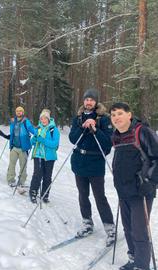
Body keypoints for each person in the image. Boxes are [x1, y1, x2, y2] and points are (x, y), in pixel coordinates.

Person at [110, 102, 158, 270]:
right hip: (124, 191)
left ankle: (142, 265)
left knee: (139, 230)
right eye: (113, 115)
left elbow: (156, 157)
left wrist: (150, 182)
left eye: (120, 113)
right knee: (128, 227)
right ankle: (133, 258)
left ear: (129, 115)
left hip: (141, 191)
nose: (116, 117)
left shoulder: (142, 132)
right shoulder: (116, 136)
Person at [69, 88, 115, 246]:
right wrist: (83, 127)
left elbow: (108, 143)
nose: (88, 102)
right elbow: (72, 138)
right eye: (86, 99)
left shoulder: (104, 118)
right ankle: (87, 222)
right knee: (83, 194)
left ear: (96, 102)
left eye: (91, 100)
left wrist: (95, 129)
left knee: (99, 196)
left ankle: (110, 227)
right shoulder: (78, 117)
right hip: (79, 161)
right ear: (83, 101)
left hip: (95, 163)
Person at [29, 109, 60, 203]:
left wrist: (42, 140)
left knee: (47, 177)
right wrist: (34, 139)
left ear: (48, 119)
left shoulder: (53, 130)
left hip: (49, 157)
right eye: (41, 118)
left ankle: (45, 195)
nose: (43, 120)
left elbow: (54, 144)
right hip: (38, 155)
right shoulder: (38, 128)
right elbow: (32, 142)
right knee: (37, 175)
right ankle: (33, 193)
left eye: (45, 118)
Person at [7, 106, 36, 187]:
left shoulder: (26, 121)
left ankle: (21, 181)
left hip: (23, 148)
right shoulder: (13, 121)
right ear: (16, 113)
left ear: (23, 113)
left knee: (23, 166)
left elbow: (32, 130)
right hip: (14, 147)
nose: (19, 112)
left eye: (20, 111)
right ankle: (10, 179)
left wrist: (39, 134)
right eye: (17, 111)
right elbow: (12, 132)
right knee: (11, 164)